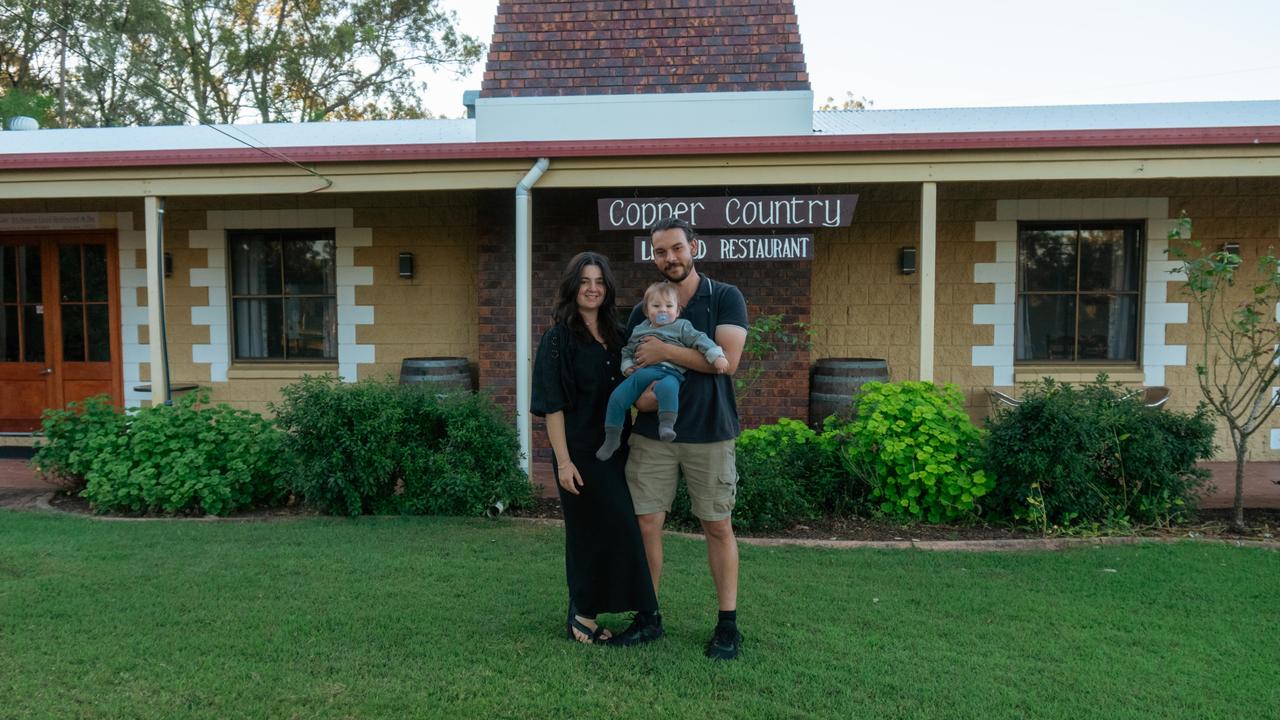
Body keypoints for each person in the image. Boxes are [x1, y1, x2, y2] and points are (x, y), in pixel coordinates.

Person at [610, 217, 749, 660]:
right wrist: (641, 397)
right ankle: (648, 616)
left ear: (694, 246)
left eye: (676, 249)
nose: (669, 258)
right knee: (646, 524)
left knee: (717, 525)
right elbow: (631, 366)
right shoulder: (643, 308)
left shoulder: (725, 297)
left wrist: (667, 351)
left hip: (710, 432)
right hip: (653, 437)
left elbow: (726, 361)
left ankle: (727, 625)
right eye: (660, 252)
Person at [530, 251, 660, 646]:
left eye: (599, 282)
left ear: (607, 288)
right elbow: (552, 404)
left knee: (616, 530)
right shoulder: (557, 339)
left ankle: (603, 609)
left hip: (617, 448)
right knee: (589, 533)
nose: (592, 288)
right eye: (585, 281)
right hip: (580, 453)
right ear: (573, 287)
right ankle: (583, 616)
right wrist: (564, 462)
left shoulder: (619, 334)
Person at [595, 281, 728, 460]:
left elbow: (700, 340)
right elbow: (627, 350)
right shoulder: (639, 329)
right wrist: (627, 366)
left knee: (668, 389)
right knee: (617, 397)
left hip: (670, 373)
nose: (663, 310)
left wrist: (716, 356)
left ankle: (666, 425)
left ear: (677, 311)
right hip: (642, 373)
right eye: (656, 306)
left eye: (669, 306)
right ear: (647, 310)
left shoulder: (682, 326)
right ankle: (612, 438)